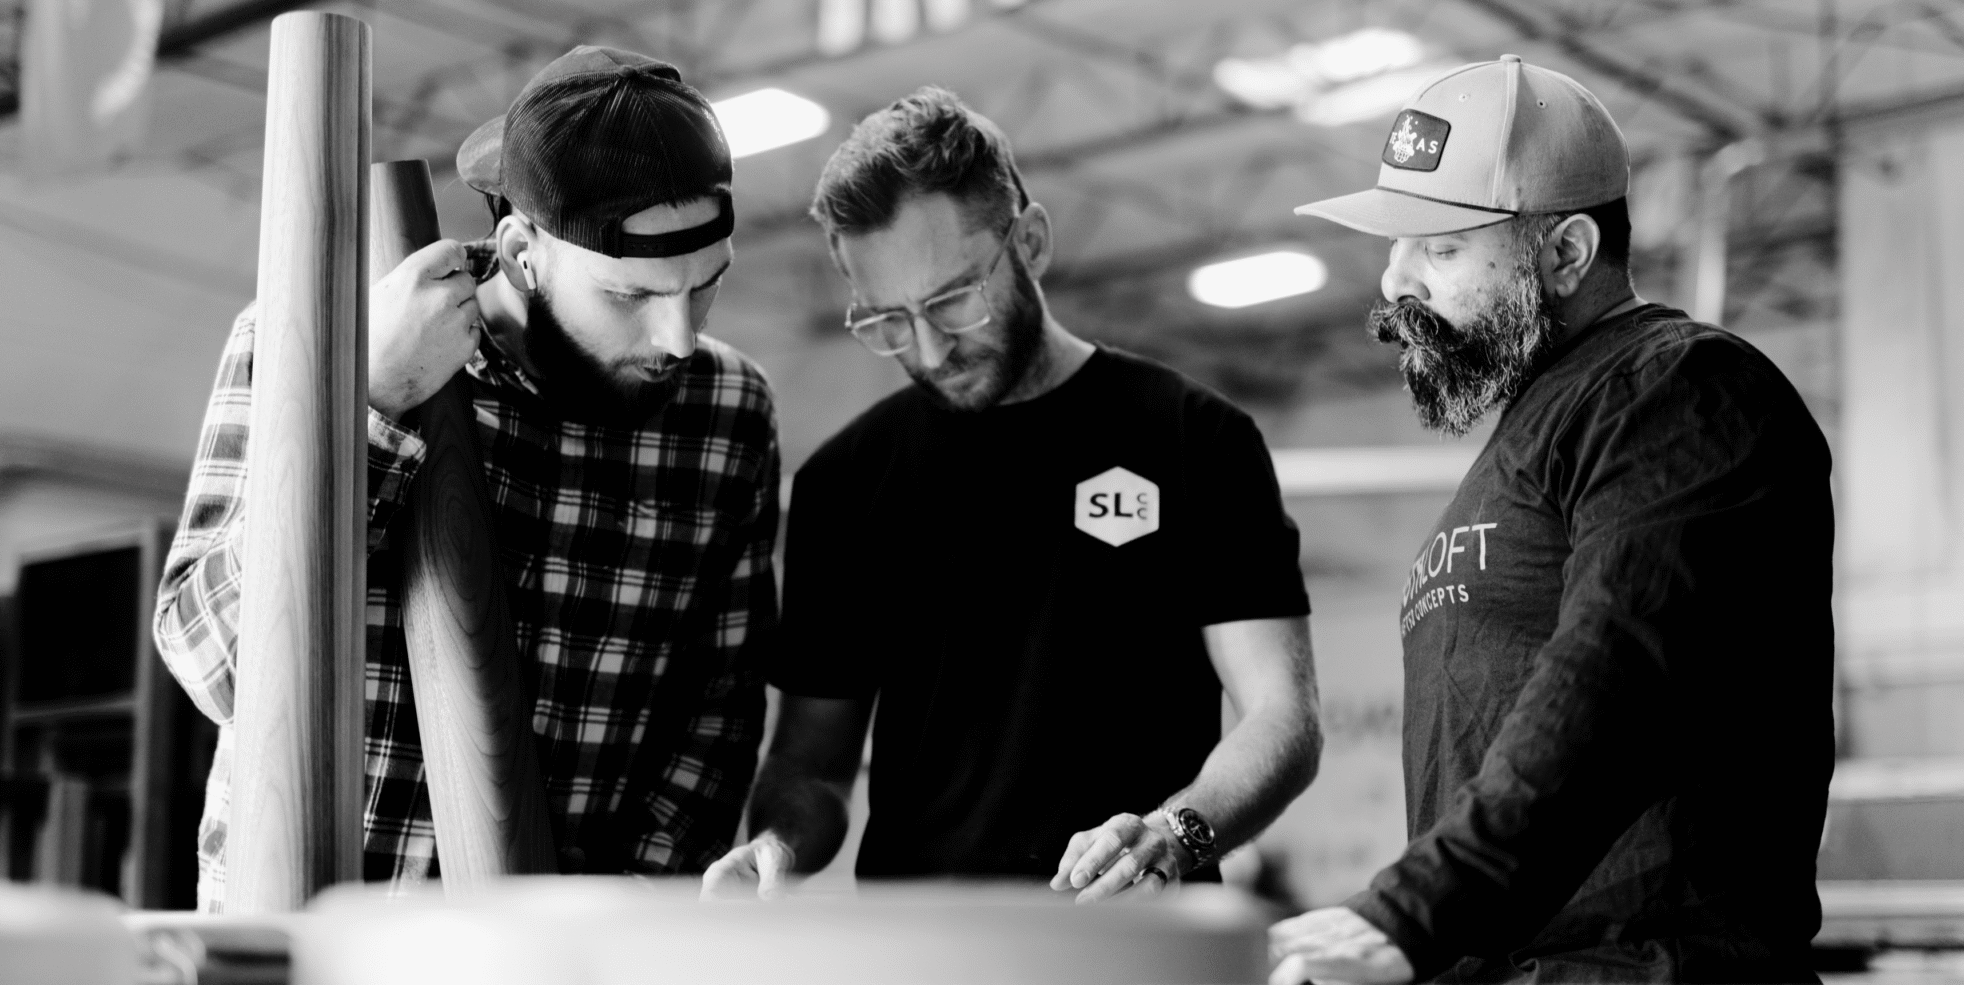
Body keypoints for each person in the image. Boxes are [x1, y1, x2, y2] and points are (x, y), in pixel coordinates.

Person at [154, 46, 779, 909]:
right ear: (523, 249)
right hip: (315, 939)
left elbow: (717, 712)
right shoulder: (313, 340)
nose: (677, 339)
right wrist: (371, 406)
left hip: (571, 958)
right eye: (631, 297)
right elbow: (210, 661)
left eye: (704, 287)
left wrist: (628, 913)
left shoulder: (727, 410)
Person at [1268, 55, 1833, 983]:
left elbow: (1619, 672)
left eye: (1440, 248)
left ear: (1566, 253)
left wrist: (1409, 912)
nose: (1396, 280)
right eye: (1397, 244)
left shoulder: (1678, 391)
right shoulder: (1527, 440)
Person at [699, 87, 1322, 902]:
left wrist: (1174, 833)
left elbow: (1283, 717)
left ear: (1029, 241)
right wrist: (777, 845)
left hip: (1131, 939)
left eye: (954, 300)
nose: (927, 347)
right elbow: (811, 763)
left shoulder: (1194, 439)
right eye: (887, 319)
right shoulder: (847, 483)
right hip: (927, 951)